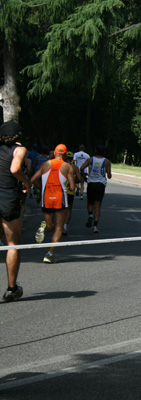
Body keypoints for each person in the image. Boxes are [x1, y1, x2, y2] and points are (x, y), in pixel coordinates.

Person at [30, 144, 76, 263]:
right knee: (59, 227)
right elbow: (72, 186)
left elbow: (33, 179)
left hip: (46, 198)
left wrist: (42, 188)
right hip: (60, 198)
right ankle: (49, 254)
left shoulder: (45, 164)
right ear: (65, 155)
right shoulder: (67, 166)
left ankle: (44, 228)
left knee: (50, 225)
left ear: (54, 153)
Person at [0, 121, 30, 302]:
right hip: (8, 198)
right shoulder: (19, 150)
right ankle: (12, 288)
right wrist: (25, 181)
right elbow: (15, 169)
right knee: (12, 244)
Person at [79, 145, 112, 233]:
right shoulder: (106, 161)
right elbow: (109, 175)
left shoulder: (90, 160)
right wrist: (107, 173)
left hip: (91, 183)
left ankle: (90, 214)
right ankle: (95, 226)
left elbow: (82, 168)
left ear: (95, 150)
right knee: (98, 205)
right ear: (104, 152)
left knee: (90, 202)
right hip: (100, 184)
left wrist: (84, 176)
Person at [63, 151, 82, 236]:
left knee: (60, 209)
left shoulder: (61, 166)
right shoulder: (74, 167)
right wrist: (75, 181)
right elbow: (79, 179)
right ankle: (65, 226)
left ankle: (59, 225)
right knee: (69, 209)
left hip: (61, 190)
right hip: (70, 191)